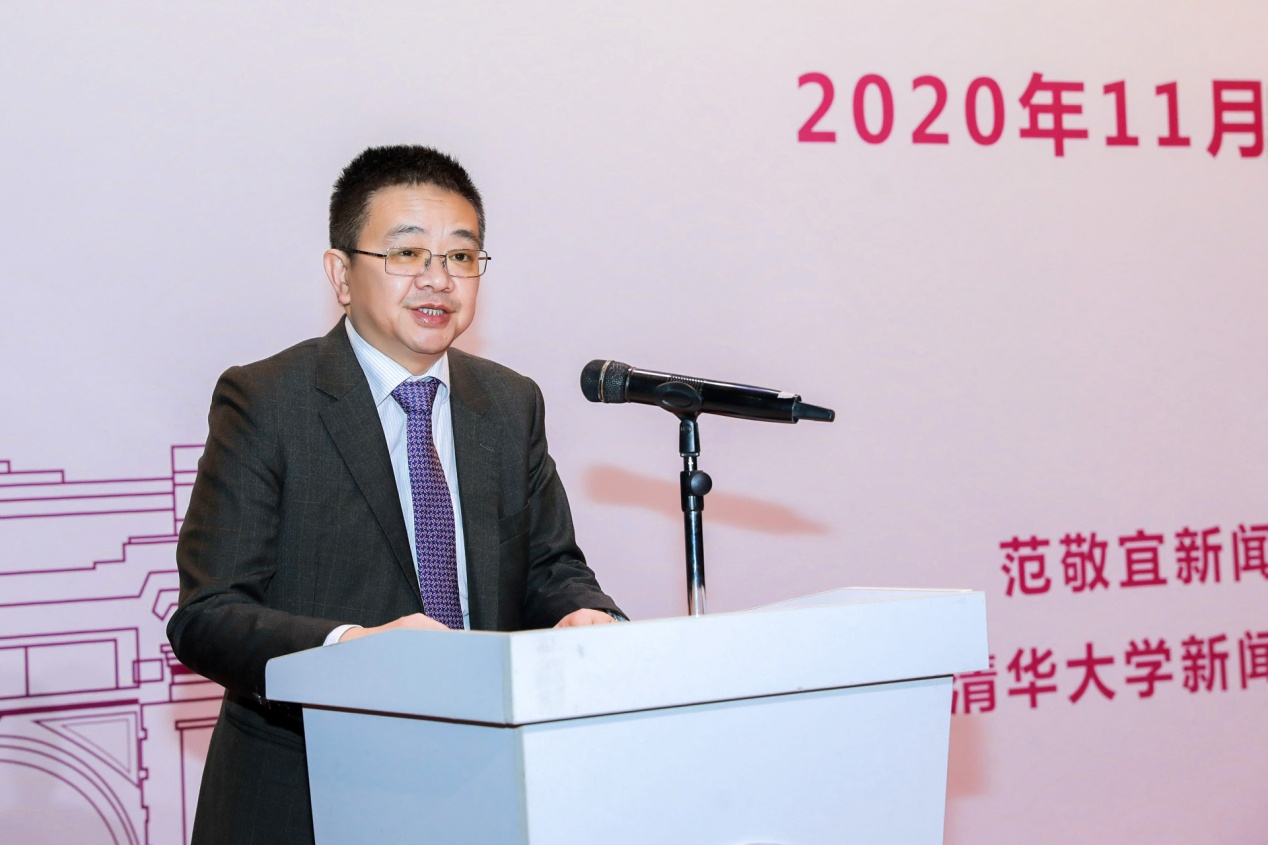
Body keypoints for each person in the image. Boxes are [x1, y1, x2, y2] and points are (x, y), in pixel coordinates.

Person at [167, 145, 624, 845]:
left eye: (461, 256)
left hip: (482, 785)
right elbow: (209, 615)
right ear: (341, 274)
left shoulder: (510, 403)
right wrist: (353, 649)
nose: (437, 279)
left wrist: (585, 614)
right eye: (407, 253)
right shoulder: (267, 401)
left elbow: (550, 567)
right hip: (308, 793)